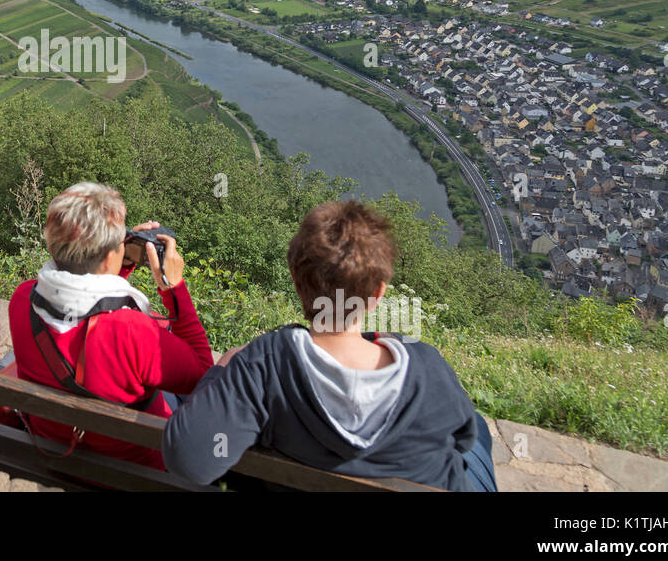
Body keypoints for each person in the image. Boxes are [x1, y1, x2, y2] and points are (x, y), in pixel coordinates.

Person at [161, 200, 497, 491]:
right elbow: (462, 440)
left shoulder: (263, 365)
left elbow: (190, 462)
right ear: (377, 294)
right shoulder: (429, 369)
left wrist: (223, 368)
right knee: (477, 429)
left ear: (296, 282)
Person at [7, 181, 213, 469]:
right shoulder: (133, 331)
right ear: (107, 259)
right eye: (119, 244)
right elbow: (203, 376)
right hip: (133, 470)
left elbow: (87, 305)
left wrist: (119, 258)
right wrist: (174, 288)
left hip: (52, 444)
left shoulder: (23, 300)